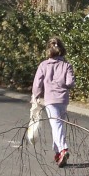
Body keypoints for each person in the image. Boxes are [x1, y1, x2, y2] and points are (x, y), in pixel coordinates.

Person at [32, 36, 75, 167]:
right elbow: (70, 83)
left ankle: (63, 149)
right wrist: (63, 84)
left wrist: (36, 96)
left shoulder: (43, 65)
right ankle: (57, 152)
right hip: (63, 99)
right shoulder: (67, 65)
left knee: (56, 124)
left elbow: (37, 83)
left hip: (50, 99)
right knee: (58, 124)